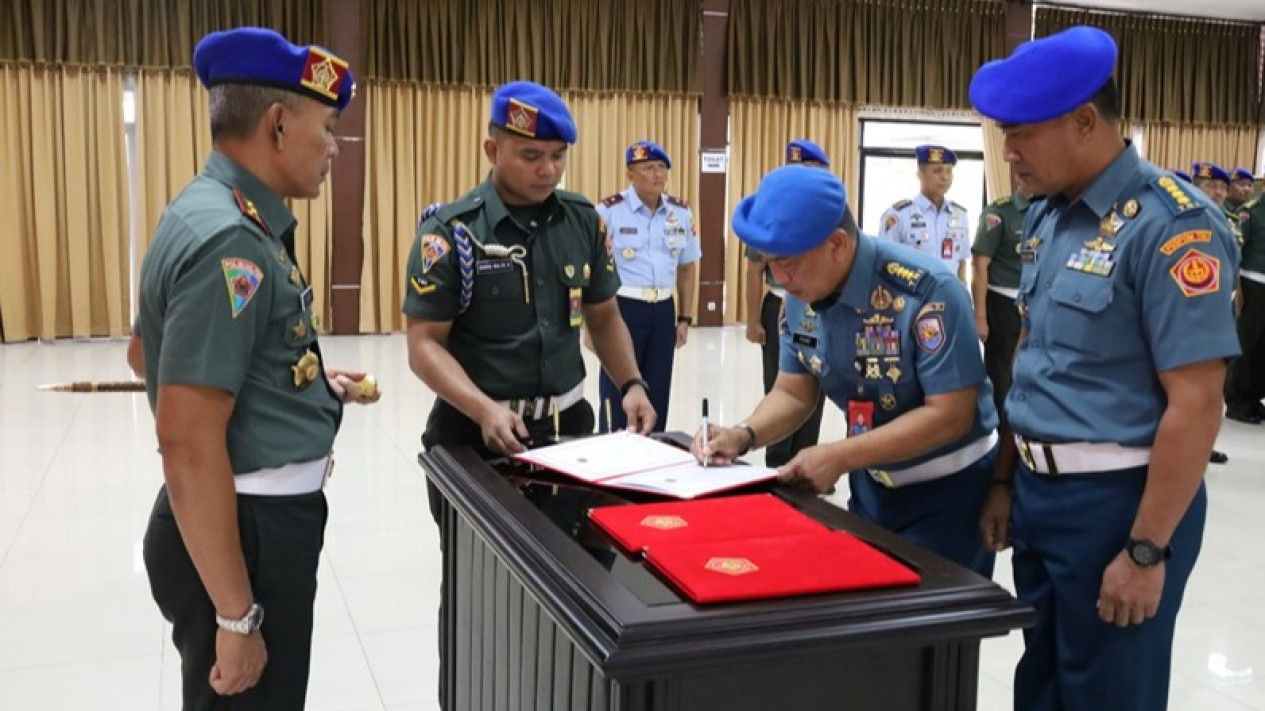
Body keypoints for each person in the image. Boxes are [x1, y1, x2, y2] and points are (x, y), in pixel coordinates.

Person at [970, 25, 1240, 711]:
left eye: (1020, 133)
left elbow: (1197, 404)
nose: (1007, 153)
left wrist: (1146, 550)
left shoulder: (1173, 226)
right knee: (1042, 684)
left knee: (1106, 693)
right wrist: (1005, 478)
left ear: (1084, 120)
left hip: (1119, 503)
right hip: (1037, 496)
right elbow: (1032, 364)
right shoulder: (1047, 218)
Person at [131, 27, 380, 710]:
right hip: (247, 529)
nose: (335, 147)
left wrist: (292, 384)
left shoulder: (208, 207)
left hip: (249, 519)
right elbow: (185, 442)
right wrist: (238, 617)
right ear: (276, 125)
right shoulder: (232, 239)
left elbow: (145, 352)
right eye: (327, 128)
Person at [697, 164, 999, 578]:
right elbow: (794, 391)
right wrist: (742, 435)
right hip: (872, 489)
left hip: (950, 494)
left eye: (788, 263)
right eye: (770, 266)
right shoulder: (801, 294)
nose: (780, 279)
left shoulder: (927, 291)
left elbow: (951, 413)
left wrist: (839, 456)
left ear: (838, 244)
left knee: (936, 637)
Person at [403, 80, 655, 480]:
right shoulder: (451, 232)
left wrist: (631, 385)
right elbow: (424, 344)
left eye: (558, 155)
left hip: (568, 429)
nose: (548, 169)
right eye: (531, 155)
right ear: (492, 150)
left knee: (568, 541)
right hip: (473, 432)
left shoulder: (583, 221)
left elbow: (604, 317)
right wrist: (483, 408)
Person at [594, 140, 700, 432]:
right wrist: (589, 327)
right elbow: (589, 272)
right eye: (649, 168)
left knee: (658, 388)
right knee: (618, 387)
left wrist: (685, 318)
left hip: (663, 310)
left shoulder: (680, 212)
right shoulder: (608, 211)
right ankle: (613, 450)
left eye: (662, 167)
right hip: (622, 309)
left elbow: (687, 266)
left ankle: (653, 450)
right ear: (630, 175)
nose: (658, 174)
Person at [743, 139, 830, 467]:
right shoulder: (770, 210)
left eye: (808, 170)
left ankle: (806, 462)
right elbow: (754, 270)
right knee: (781, 384)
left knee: (816, 381)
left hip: (819, 308)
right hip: (778, 305)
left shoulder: (829, 212)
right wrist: (752, 321)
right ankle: (777, 464)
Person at [971, 186, 1030, 418]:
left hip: (1034, 301)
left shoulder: (1051, 210)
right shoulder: (999, 213)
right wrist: (980, 317)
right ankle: (1001, 429)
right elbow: (979, 267)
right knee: (1002, 374)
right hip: (1002, 303)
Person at [879, 145, 971, 283]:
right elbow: (885, 264)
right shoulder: (898, 215)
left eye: (949, 171)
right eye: (937, 171)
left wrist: (963, 299)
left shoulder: (959, 215)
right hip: (911, 298)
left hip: (949, 297)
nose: (945, 177)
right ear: (920, 174)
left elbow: (961, 264)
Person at [1227, 194, 1265, 424]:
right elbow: (1234, 249)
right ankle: (1236, 401)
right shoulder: (1250, 211)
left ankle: (1254, 398)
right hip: (1251, 283)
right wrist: (1236, 286)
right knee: (1245, 343)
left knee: (1263, 347)